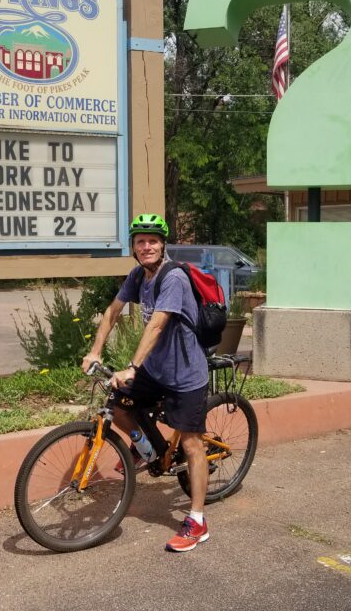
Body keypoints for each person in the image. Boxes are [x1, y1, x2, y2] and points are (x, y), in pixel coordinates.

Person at [81, 213, 211, 552]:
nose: (147, 246)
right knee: (118, 403)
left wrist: (131, 366)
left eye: (153, 240)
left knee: (192, 444)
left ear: (163, 245)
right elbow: (113, 311)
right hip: (156, 369)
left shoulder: (174, 278)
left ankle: (197, 521)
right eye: (140, 241)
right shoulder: (138, 275)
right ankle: (145, 448)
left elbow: (157, 324)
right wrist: (95, 351)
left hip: (185, 375)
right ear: (134, 247)